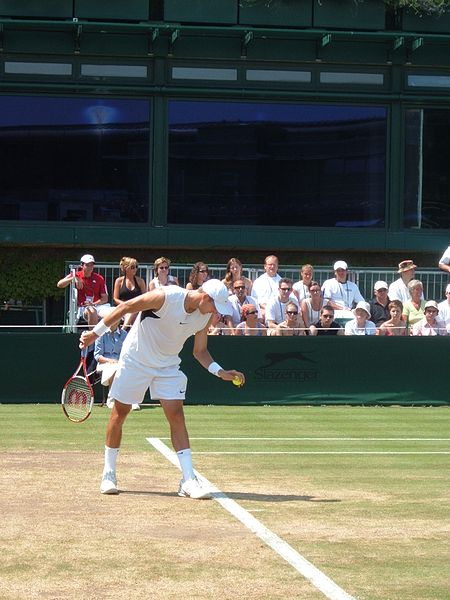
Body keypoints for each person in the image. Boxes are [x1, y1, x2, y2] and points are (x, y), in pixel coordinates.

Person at [79, 279, 244, 499]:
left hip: (167, 365)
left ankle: (188, 480)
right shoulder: (166, 296)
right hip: (136, 359)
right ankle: (108, 473)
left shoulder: (204, 316)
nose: (216, 313)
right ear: (205, 297)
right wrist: (95, 334)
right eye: (215, 306)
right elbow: (125, 307)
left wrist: (220, 372)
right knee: (120, 413)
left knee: (176, 415)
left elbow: (200, 351)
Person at [93, 315, 139, 410]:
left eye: (115, 319)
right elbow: (97, 356)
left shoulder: (124, 334)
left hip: (121, 362)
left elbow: (128, 352)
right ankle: (111, 399)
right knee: (115, 368)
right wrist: (110, 360)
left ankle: (132, 401)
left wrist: (122, 361)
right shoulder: (101, 334)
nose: (112, 321)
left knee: (131, 369)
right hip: (104, 363)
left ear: (118, 321)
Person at [57, 254, 110, 326]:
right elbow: (59, 284)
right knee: (92, 311)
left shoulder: (99, 278)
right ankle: (94, 336)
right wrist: (73, 278)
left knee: (113, 312)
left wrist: (94, 304)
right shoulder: (76, 275)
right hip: (83, 308)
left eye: (92, 265)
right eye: (87, 265)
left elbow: (105, 298)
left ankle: (114, 335)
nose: (90, 267)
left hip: (99, 306)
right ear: (82, 265)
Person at [113, 257, 147, 330]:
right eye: (132, 267)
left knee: (133, 311)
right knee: (131, 311)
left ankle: (123, 331)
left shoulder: (140, 281)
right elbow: (115, 298)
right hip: (123, 307)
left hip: (137, 307)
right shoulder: (119, 281)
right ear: (126, 268)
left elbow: (145, 297)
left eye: (136, 267)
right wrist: (125, 305)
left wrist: (133, 305)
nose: (135, 269)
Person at [251, 255, 282, 320]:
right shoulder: (258, 281)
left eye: (274, 265)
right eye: (270, 264)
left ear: (277, 266)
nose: (272, 267)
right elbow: (255, 299)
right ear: (265, 266)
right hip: (263, 309)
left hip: (280, 309)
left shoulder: (282, 281)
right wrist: (268, 308)